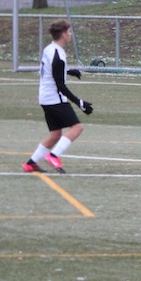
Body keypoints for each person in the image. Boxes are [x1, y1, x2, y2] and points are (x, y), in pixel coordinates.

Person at [23, 20, 93, 174]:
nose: (70, 34)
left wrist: (68, 71)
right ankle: (54, 155)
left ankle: (31, 163)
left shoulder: (50, 49)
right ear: (62, 34)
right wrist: (79, 102)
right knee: (77, 127)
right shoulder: (58, 55)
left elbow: (53, 69)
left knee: (55, 134)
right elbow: (60, 85)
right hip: (54, 98)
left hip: (45, 97)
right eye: (68, 32)